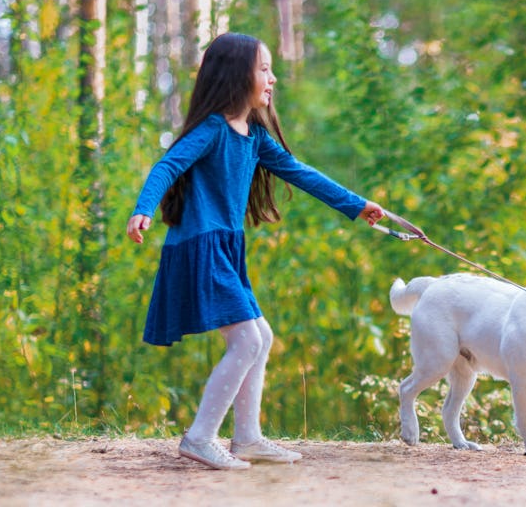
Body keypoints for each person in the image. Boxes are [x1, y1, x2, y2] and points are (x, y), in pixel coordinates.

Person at [126, 32, 384, 470]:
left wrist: (356, 205)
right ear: (235, 74)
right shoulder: (211, 130)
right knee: (246, 339)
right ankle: (200, 437)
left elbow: (301, 172)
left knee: (259, 337)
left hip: (225, 247)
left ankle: (246, 438)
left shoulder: (254, 138)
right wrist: (143, 209)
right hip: (200, 245)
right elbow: (168, 164)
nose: (273, 78)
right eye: (264, 69)